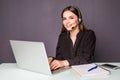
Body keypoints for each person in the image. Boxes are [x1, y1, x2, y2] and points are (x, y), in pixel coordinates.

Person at [48, 6, 96, 71]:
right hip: (67, 73)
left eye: (71, 18)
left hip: (84, 72)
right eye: (64, 19)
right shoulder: (62, 37)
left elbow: (86, 58)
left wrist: (64, 62)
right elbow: (60, 59)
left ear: (79, 19)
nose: (67, 22)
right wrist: (52, 59)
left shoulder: (89, 34)